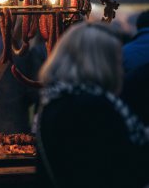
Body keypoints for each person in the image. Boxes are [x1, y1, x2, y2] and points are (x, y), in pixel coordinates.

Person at [36, 22, 148, 188]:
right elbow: (114, 168)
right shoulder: (93, 107)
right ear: (100, 62)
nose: (120, 68)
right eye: (116, 60)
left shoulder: (57, 100)